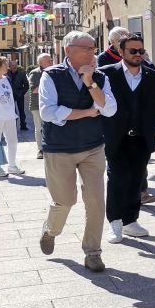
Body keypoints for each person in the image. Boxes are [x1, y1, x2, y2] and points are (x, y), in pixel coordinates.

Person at [38, 31, 118, 272]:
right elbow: (47, 113)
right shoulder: (51, 76)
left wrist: (90, 83)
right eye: (85, 48)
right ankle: (50, 230)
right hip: (59, 148)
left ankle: (93, 252)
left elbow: (109, 109)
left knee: (95, 201)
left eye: (93, 48)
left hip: (93, 147)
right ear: (68, 51)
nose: (91, 53)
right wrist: (85, 112)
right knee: (65, 200)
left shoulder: (100, 77)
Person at [99, 34, 155, 243]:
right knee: (116, 180)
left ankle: (130, 221)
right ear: (121, 52)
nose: (138, 55)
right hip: (116, 137)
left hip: (142, 138)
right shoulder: (106, 74)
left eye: (141, 51)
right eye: (133, 51)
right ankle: (115, 222)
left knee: (136, 180)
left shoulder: (153, 77)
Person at [27, 54, 54, 158]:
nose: (51, 61)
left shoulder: (54, 71)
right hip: (37, 105)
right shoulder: (35, 73)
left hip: (51, 104)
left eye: (51, 60)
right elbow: (34, 90)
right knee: (39, 128)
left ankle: (50, 147)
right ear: (41, 62)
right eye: (49, 60)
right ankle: (41, 150)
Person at [7, 57, 30, 131]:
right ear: (9, 66)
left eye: (15, 65)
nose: (14, 67)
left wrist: (22, 92)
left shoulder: (22, 74)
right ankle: (13, 126)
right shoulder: (6, 74)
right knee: (12, 111)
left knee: (21, 111)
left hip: (19, 95)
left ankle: (23, 125)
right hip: (10, 96)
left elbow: (26, 85)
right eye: (12, 65)